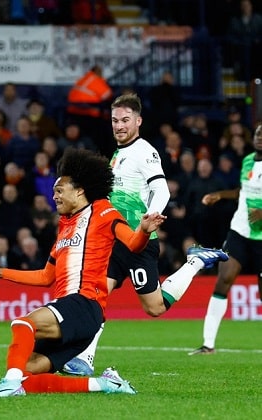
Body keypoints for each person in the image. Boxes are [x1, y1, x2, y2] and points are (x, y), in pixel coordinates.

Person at [0, 148, 166, 397]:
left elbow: (132, 244)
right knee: (27, 375)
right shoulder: (65, 229)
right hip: (73, 311)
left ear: (79, 191)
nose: (54, 196)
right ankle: (105, 384)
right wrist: (2, 273)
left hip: (84, 303)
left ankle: (8, 385)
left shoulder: (103, 212)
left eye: (59, 190)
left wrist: (143, 230)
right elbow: (45, 277)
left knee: (23, 323)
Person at [62, 93, 229, 376]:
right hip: (116, 240)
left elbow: (161, 189)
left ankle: (194, 263)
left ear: (138, 121)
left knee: (155, 308)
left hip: (139, 243)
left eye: (125, 120)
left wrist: (149, 220)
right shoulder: (118, 154)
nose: (119, 125)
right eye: (115, 120)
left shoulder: (144, 151)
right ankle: (84, 358)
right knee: (96, 293)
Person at [189, 124, 262, 355]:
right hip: (239, 230)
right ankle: (208, 344)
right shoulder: (249, 160)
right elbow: (243, 191)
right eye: (258, 133)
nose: (260, 137)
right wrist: (221, 195)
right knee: (223, 279)